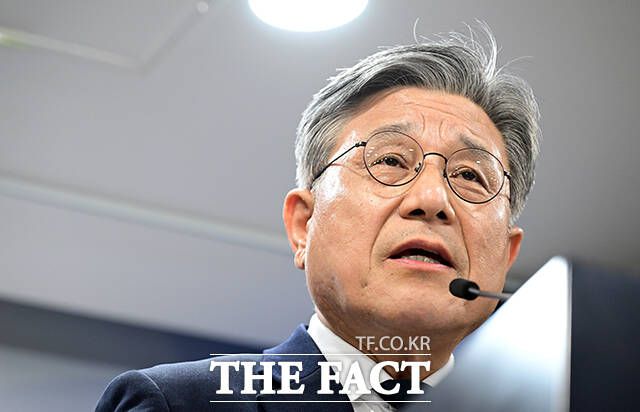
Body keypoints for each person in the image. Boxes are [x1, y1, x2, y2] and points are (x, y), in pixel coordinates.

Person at [96, 26, 540, 411]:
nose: (431, 199)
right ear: (302, 226)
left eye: (469, 175)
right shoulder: (179, 403)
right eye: (389, 161)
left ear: (506, 256)